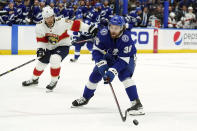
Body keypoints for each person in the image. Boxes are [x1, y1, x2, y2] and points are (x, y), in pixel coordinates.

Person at [72, 15, 145, 115]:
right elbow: (97, 51)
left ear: (122, 28)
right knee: (95, 74)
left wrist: (112, 71)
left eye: (116, 28)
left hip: (127, 58)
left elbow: (123, 60)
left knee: (124, 76)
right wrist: (101, 63)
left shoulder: (126, 39)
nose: (113, 30)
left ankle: (137, 104)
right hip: (110, 56)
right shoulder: (103, 34)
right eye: (111, 27)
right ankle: (85, 98)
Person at [22, 6, 98, 92]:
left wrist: (90, 28)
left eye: (51, 17)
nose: (49, 19)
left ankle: (54, 80)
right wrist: (40, 49)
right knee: (40, 64)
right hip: (49, 47)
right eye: (47, 18)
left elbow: (77, 25)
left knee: (55, 59)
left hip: (63, 45)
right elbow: (41, 40)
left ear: (53, 16)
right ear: (44, 18)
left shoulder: (62, 21)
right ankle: (34, 79)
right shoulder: (39, 26)